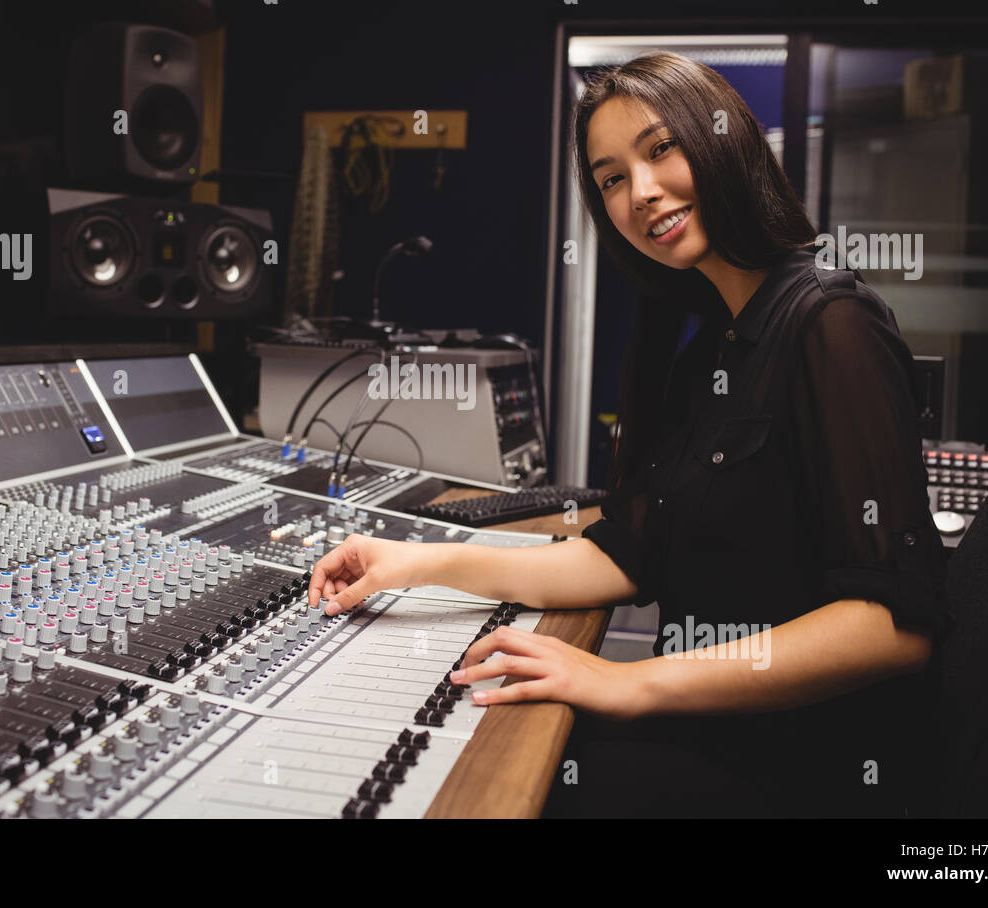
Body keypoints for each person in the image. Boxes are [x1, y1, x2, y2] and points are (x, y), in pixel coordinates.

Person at [306, 52, 952, 818]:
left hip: (805, 765)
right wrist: (416, 563)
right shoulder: (710, 348)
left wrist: (628, 682)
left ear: (726, 142)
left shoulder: (829, 322)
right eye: (611, 178)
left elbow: (892, 628)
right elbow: (628, 552)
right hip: (715, 728)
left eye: (660, 150)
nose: (640, 192)